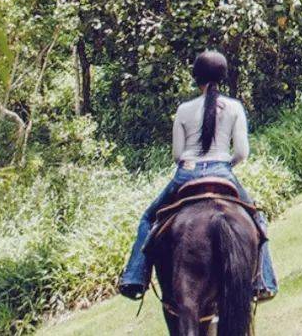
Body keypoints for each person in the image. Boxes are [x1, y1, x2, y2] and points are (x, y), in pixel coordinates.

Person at [118, 50, 278, 301]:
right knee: (257, 219)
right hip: (222, 171)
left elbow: (177, 154)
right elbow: (242, 152)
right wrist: (225, 166)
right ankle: (262, 282)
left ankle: (135, 278)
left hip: (187, 173)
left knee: (148, 219)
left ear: (196, 78)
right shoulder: (235, 107)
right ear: (223, 77)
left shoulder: (184, 109)